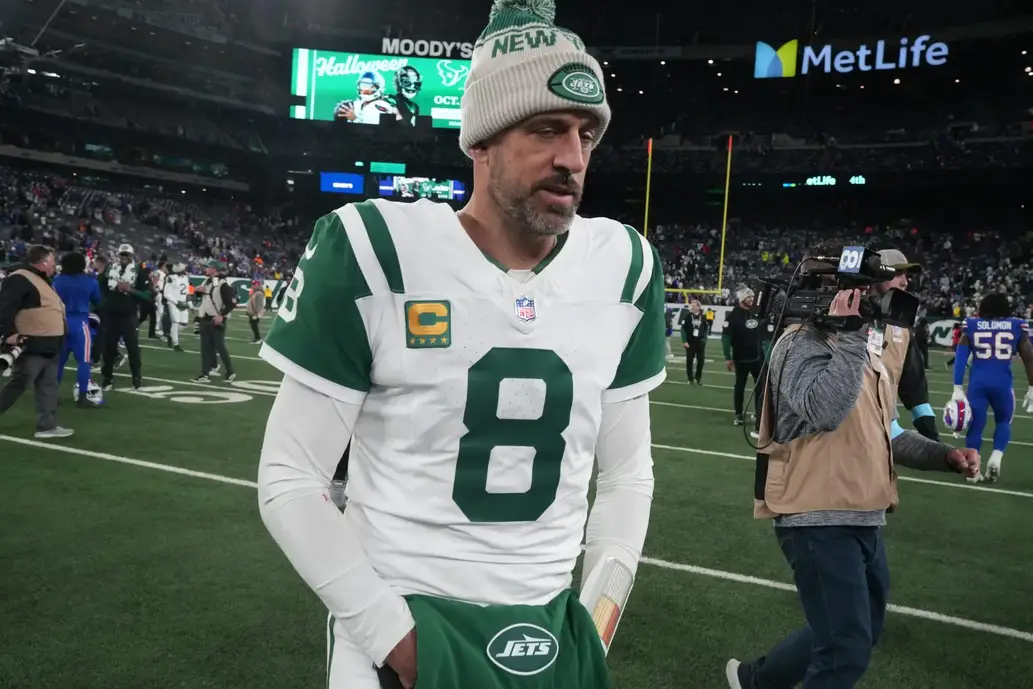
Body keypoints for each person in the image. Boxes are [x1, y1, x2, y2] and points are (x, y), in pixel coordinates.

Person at [256, 2, 662, 686]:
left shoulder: (624, 264)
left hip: (549, 631)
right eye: (545, 129)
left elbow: (627, 473)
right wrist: (405, 645)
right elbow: (288, 477)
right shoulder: (373, 247)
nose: (572, 157)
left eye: (586, 134)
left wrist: (595, 622)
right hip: (401, 629)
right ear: (480, 140)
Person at [726, 250, 981, 689]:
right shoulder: (798, 343)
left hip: (863, 511)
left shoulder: (860, 345)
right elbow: (823, 410)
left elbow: (886, 431)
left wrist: (943, 455)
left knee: (859, 630)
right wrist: (851, 335)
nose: (864, 300)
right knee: (845, 650)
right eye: (856, 290)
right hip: (817, 515)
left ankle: (758, 680)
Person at [951, 292, 1033, 483]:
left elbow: (961, 358)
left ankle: (973, 471)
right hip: (1003, 383)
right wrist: (1032, 387)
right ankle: (996, 457)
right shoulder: (1016, 325)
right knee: (1004, 421)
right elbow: (1029, 356)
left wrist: (957, 386)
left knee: (976, 427)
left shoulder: (971, 325)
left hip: (977, 383)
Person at [0, 245, 73, 438]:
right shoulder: (19, 278)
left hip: (49, 344)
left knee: (48, 387)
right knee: (18, 385)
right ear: (42, 263)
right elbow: (5, 307)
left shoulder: (41, 280)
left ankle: (47, 426)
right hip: (31, 343)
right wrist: (9, 334)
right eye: (52, 261)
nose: (54, 264)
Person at [873, 249, 939, 440]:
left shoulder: (901, 325)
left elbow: (914, 385)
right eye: (897, 274)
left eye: (906, 276)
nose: (905, 282)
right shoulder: (846, 319)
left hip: (882, 431)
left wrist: (931, 435)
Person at [53, 251, 102, 407]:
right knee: (84, 362)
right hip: (80, 322)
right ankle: (82, 397)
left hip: (60, 321)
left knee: (58, 362)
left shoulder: (57, 280)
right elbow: (98, 300)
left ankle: (53, 396)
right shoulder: (91, 282)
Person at [99, 244, 147, 391]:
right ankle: (107, 378)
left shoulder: (140, 271)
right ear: (118, 255)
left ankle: (136, 376)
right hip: (111, 314)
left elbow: (148, 295)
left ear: (132, 256)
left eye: (127, 255)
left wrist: (130, 290)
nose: (124, 258)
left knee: (133, 348)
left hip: (129, 315)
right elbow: (100, 287)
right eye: (122, 255)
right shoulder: (109, 268)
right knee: (108, 348)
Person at [722, 286, 768, 427]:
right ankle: (739, 414)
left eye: (753, 297)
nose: (751, 300)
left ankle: (758, 413)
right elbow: (725, 337)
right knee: (740, 387)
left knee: (760, 387)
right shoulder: (733, 316)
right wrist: (728, 357)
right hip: (741, 358)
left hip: (757, 357)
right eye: (748, 297)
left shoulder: (756, 314)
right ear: (742, 299)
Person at [192, 260, 236, 383]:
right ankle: (204, 374)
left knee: (220, 347)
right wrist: (198, 292)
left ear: (214, 269)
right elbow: (204, 299)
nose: (205, 269)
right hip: (205, 318)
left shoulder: (223, 284)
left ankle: (230, 371)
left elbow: (232, 302)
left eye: (208, 267)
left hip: (216, 319)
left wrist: (221, 315)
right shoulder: (206, 281)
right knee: (205, 348)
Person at [680, 299, 710, 384]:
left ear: (698, 306)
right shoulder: (688, 316)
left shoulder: (703, 316)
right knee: (689, 361)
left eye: (694, 305)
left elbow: (706, 329)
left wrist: (705, 339)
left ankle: (698, 378)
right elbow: (683, 329)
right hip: (690, 342)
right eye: (692, 305)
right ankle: (690, 378)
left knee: (701, 361)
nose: (692, 307)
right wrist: (684, 341)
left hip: (700, 342)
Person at [162, 262, 190, 352]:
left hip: (183, 302)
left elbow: (187, 291)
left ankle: (171, 334)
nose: (186, 270)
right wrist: (176, 302)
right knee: (176, 322)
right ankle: (176, 344)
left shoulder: (186, 277)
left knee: (184, 324)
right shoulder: (171, 278)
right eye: (184, 268)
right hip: (173, 303)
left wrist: (189, 303)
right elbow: (166, 293)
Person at [245, 279, 265, 344]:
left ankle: (258, 338)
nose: (252, 286)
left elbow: (258, 304)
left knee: (254, 325)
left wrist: (256, 313)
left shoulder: (259, 293)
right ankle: (257, 338)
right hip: (253, 312)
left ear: (257, 285)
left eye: (253, 284)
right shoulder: (255, 292)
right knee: (253, 325)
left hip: (255, 313)